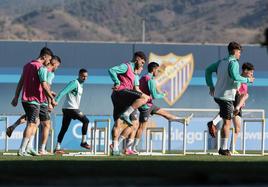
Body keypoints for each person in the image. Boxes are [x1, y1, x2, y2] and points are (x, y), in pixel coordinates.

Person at [127, 62, 193, 154]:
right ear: (153, 70)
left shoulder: (143, 77)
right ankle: (132, 148)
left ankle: (184, 120)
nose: (158, 73)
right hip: (145, 106)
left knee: (166, 114)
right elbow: (154, 95)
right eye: (157, 70)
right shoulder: (150, 80)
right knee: (141, 127)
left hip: (149, 105)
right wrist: (163, 94)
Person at [205, 41, 254, 156]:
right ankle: (224, 149)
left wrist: (211, 86)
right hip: (226, 96)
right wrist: (248, 80)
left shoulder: (221, 62)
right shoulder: (234, 63)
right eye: (239, 52)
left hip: (218, 95)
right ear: (235, 51)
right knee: (227, 123)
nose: (240, 55)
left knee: (226, 117)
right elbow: (235, 76)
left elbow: (207, 71)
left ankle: (213, 123)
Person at [11, 47, 56, 156]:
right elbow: (44, 85)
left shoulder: (27, 65)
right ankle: (22, 150)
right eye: (49, 60)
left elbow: (20, 82)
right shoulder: (41, 68)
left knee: (35, 122)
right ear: (44, 57)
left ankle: (27, 148)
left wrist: (16, 96)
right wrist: (52, 98)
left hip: (25, 99)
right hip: (34, 101)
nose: (49, 62)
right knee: (31, 124)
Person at [108, 51, 150, 156]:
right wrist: (117, 82)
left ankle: (115, 149)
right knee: (143, 99)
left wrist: (146, 97)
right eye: (142, 62)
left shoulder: (135, 75)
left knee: (120, 123)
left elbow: (136, 89)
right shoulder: (126, 66)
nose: (142, 65)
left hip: (125, 98)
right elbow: (111, 70)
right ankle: (126, 114)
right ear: (137, 59)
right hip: (121, 92)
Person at [54, 68, 91, 154]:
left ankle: (57, 147)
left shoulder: (81, 85)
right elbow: (63, 92)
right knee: (86, 121)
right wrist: (56, 101)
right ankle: (83, 142)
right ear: (79, 75)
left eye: (86, 77)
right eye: (83, 76)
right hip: (71, 109)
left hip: (68, 108)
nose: (85, 78)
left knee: (64, 128)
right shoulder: (74, 83)